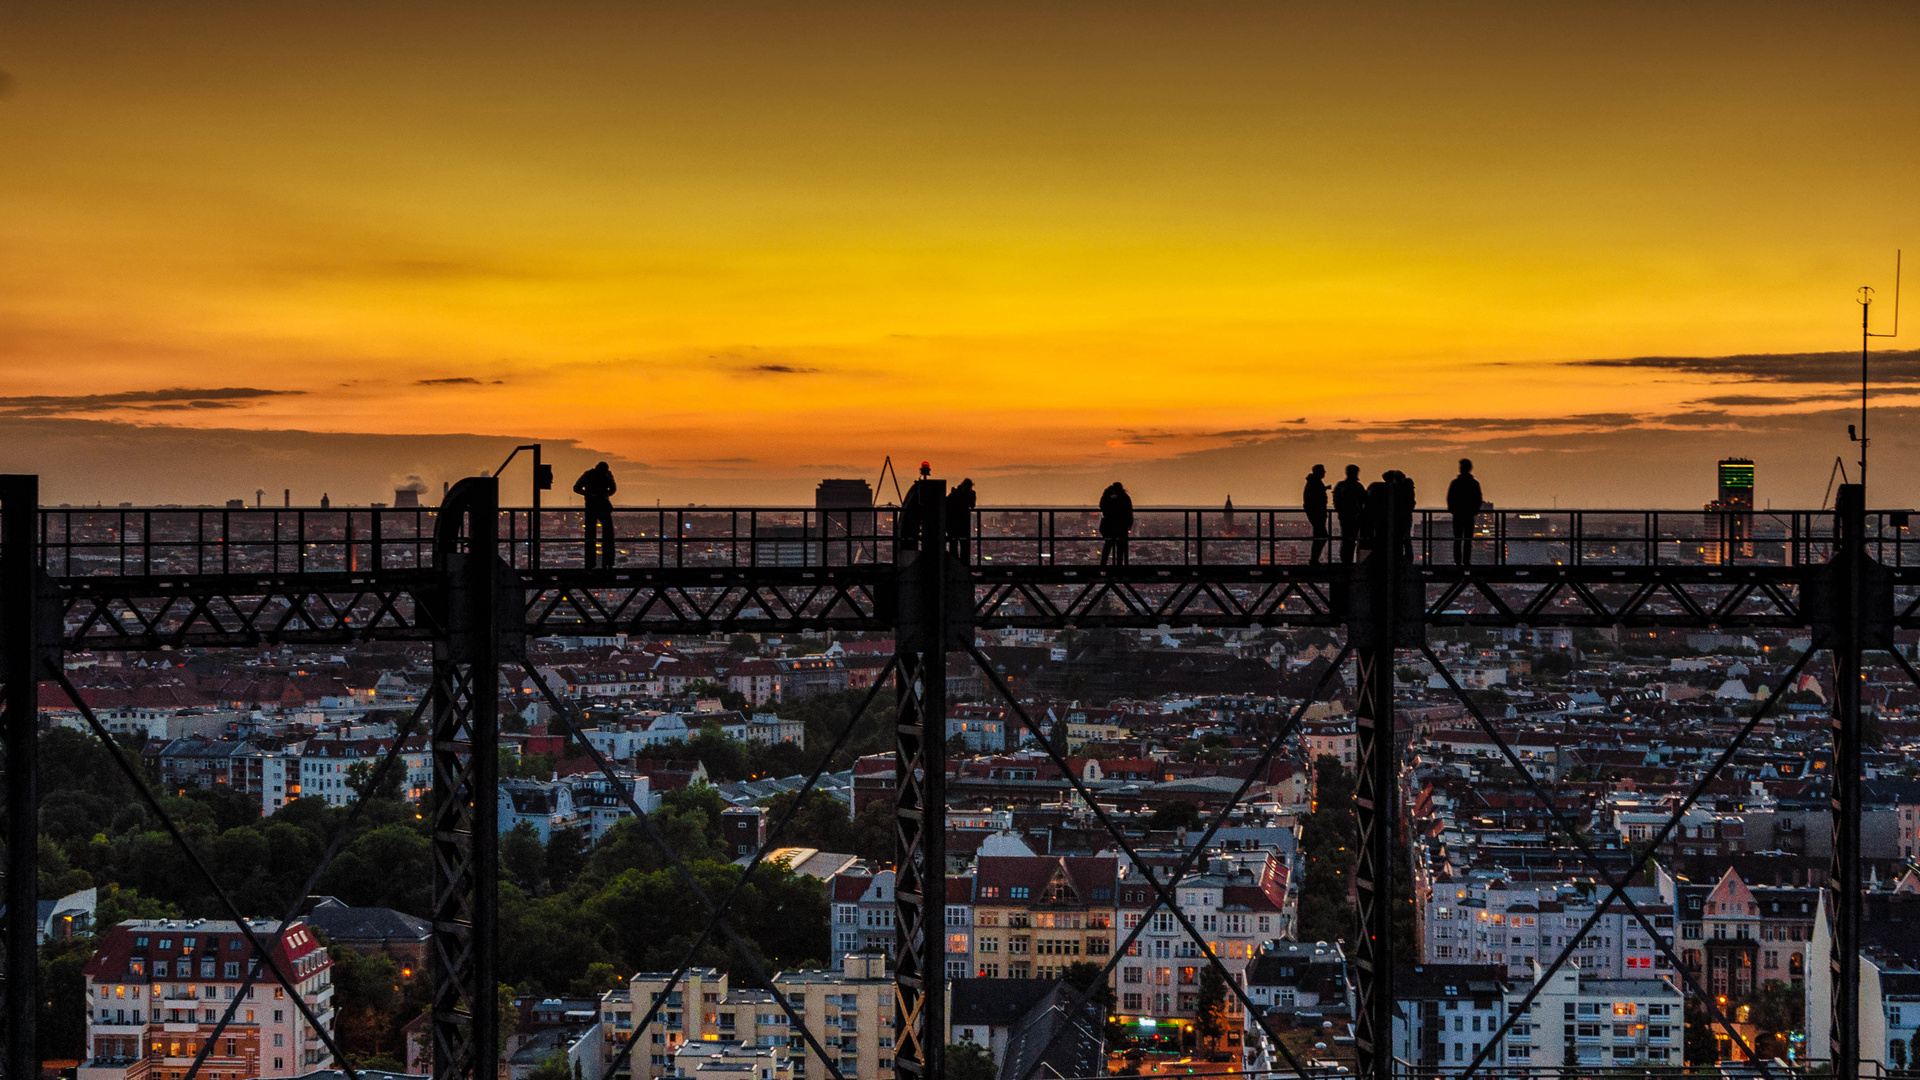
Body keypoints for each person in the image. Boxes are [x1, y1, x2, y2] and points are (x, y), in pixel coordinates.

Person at [573, 462, 617, 569]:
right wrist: (607, 494)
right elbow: (613, 488)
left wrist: (588, 494)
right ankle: (608, 562)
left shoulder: (589, 474)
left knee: (590, 536)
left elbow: (576, 487)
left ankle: (591, 563)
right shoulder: (607, 474)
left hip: (592, 506)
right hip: (603, 506)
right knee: (608, 535)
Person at [1447, 458, 1483, 566]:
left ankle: (1458, 561)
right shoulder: (1474, 484)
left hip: (1458, 515)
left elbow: (1450, 498)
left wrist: (1453, 510)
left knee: (1458, 539)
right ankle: (1466, 561)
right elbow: (1478, 499)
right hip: (1468, 515)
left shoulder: (1455, 483)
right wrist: (1473, 511)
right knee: (1467, 540)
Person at [1332, 465, 1367, 564]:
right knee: (1351, 539)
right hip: (1354, 517)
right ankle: (1348, 560)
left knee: (1347, 539)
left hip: (1346, 517)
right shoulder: (1358, 486)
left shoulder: (1341, 486)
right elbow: (1365, 500)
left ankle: (1346, 560)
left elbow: (1336, 501)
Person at [1099, 482, 1134, 566]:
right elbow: (1129, 511)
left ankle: (1103, 564)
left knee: (1108, 545)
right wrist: (1129, 524)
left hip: (1109, 526)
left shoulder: (1107, 497)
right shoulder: (1125, 497)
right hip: (1121, 526)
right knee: (1120, 547)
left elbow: (1102, 505)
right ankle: (1119, 566)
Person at [1303, 464, 1330, 564]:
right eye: (1323, 470)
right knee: (1321, 536)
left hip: (1316, 513)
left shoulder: (1313, 482)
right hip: (1317, 513)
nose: (1324, 472)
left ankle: (1314, 559)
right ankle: (1314, 559)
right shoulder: (1315, 483)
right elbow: (1316, 498)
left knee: (1320, 536)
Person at [946, 478, 976, 563]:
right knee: (962, 543)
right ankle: (962, 563)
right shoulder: (968, 494)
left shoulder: (955, 494)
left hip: (954, 522)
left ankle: (955, 562)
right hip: (961, 521)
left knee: (955, 543)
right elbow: (971, 505)